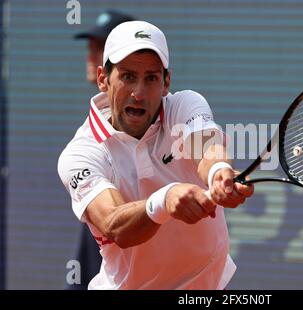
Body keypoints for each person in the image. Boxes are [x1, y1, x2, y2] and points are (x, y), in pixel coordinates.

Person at [58, 20, 253, 289]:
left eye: (151, 78)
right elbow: (114, 224)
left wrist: (218, 171)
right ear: (103, 79)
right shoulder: (81, 154)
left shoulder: (184, 105)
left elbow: (205, 146)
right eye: (128, 77)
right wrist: (165, 199)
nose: (138, 93)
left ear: (166, 82)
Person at [67, 10, 135, 290]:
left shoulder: (174, 120)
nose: (91, 53)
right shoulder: (84, 144)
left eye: (101, 46)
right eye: (92, 45)